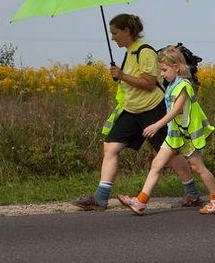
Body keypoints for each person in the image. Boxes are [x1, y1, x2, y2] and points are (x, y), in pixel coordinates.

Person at [71, 14, 201, 211]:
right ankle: (100, 197)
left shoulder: (144, 52)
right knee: (110, 147)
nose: (113, 38)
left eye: (115, 33)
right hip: (131, 110)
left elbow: (149, 84)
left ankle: (191, 193)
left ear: (127, 31)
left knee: (169, 153)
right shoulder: (130, 52)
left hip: (152, 110)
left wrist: (122, 75)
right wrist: (121, 78)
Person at [117, 46, 215, 215]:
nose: (162, 74)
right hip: (175, 135)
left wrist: (156, 125)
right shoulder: (171, 85)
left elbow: (175, 110)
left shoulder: (183, 85)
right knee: (156, 165)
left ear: (176, 67)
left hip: (187, 136)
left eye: (164, 70)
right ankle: (140, 202)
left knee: (198, 167)